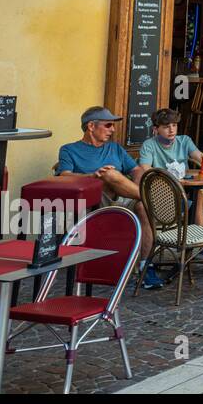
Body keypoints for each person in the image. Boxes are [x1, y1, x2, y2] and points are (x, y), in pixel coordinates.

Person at [54, 107, 159, 288]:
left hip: (123, 199)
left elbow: (136, 170)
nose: (113, 129)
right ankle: (155, 200)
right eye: (108, 125)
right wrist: (93, 176)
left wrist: (138, 179)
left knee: (143, 205)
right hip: (94, 202)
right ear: (91, 127)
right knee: (109, 173)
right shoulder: (69, 150)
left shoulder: (115, 148)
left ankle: (145, 266)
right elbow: (64, 175)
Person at [137, 108, 203, 261]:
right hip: (166, 196)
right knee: (199, 196)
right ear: (156, 129)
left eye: (174, 125)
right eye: (166, 126)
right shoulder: (150, 145)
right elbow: (145, 170)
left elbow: (199, 156)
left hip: (188, 191)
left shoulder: (184, 141)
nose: (171, 130)